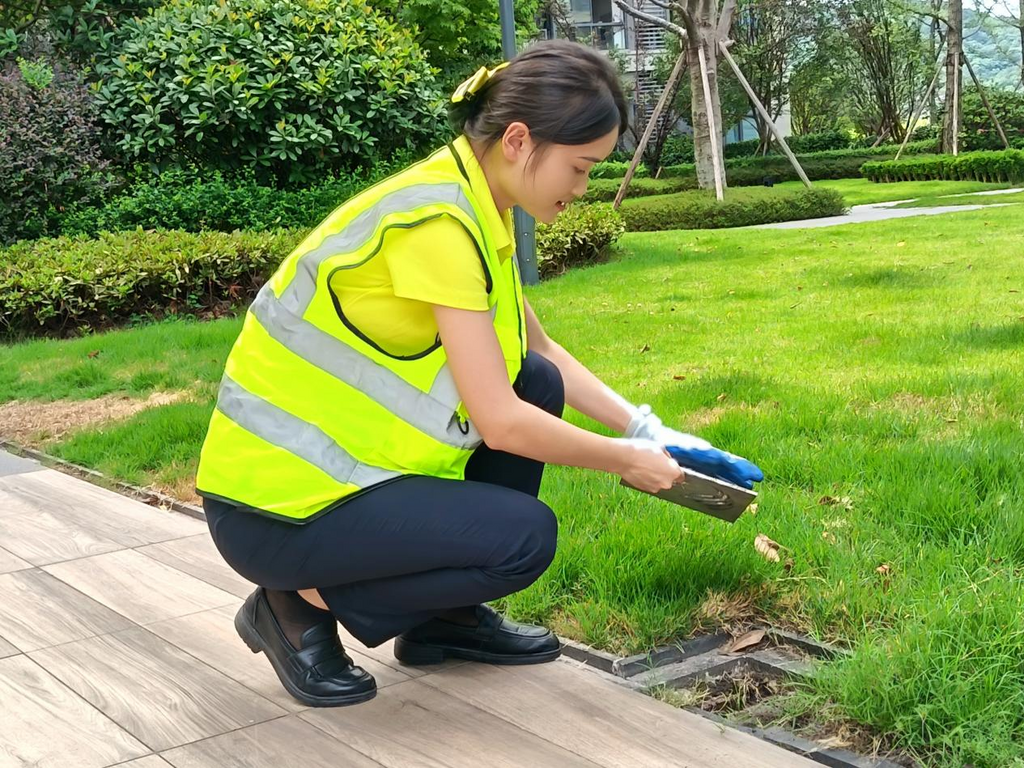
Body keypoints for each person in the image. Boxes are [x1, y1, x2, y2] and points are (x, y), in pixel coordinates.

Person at [195, 39, 763, 709]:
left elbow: (541, 354)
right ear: (519, 140)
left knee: (536, 383)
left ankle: (444, 621)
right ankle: (292, 604)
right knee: (523, 540)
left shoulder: (472, 205)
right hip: (275, 509)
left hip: (341, 478)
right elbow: (499, 421)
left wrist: (648, 427)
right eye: (580, 168)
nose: (582, 190)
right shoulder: (438, 223)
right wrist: (625, 459)